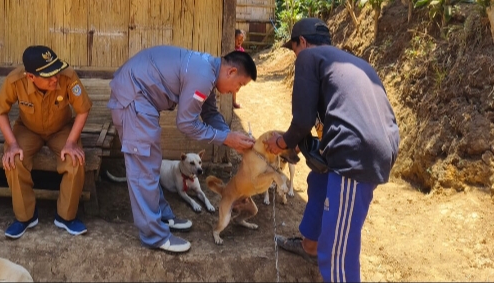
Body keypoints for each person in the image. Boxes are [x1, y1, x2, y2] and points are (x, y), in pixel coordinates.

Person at [266, 18, 400, 282]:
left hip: (356, 151)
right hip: (372, 142)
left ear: (301, 42)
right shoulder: (350, 62)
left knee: (338, 249)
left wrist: (281, 143)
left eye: (294, 49)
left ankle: (324, 253)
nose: (296, 56)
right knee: (319, 179)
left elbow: (302, 121)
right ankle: (310, 245)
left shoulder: (309, 58)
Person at [107, 46, 258, 253]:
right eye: (239, 85)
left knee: (150, 166)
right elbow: (186, 123)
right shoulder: (203, 76)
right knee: (143, 170)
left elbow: (210, 112)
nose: (235, 91)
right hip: (133, 98)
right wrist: (226, 138)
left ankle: (161, 217)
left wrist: (232, 137)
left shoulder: (209, 73)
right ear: (231, 72)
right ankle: (154, 236)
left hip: (139, 97)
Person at [0, 45, 92, 239]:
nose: (55, 78)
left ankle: (66, 217)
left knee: (75, 160)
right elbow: (0, 111)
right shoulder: (15, 81)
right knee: (14, 160)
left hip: (61, 130)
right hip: (28, 130)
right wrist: (12, 143)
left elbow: (83, 109)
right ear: (31, 77)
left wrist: (72, 141)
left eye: (55, 71)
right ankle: (26, 217)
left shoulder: (69, 77)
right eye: (48, 76)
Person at [233, 29, 246, 108]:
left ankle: (233, 101)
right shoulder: (231, 48)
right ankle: (232, 101)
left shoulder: (241, 50)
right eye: (238, 39)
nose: (239, 41)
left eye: (241, 40)